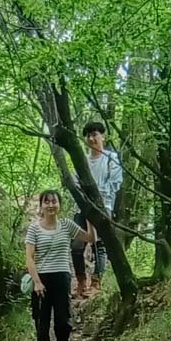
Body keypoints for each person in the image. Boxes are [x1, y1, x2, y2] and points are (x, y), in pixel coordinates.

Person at [24, 190, 95, 341]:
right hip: (42, 279)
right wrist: (37, 281)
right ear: (41, 206)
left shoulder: (66, 225)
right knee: (42, 322)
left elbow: (89, 238)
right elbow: (29, 257)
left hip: (62, 276)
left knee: (63, 320)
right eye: (46, 202)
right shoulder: (34, 229)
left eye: (54, 201)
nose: (50, 205)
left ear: (59, 204)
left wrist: (90, 217)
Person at [72, 120, 123, 298]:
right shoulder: (82, 160)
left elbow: (115, 183)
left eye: (95, 134)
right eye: (88, 135)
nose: (91, 138)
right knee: (76, 245)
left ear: (103, 136)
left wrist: (96, 194)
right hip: (82, 208)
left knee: (99, 245)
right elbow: (75, 182)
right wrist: (83, 197)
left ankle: (96, 282)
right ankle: (80, 282)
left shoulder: (111, 159)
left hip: (103, 207)